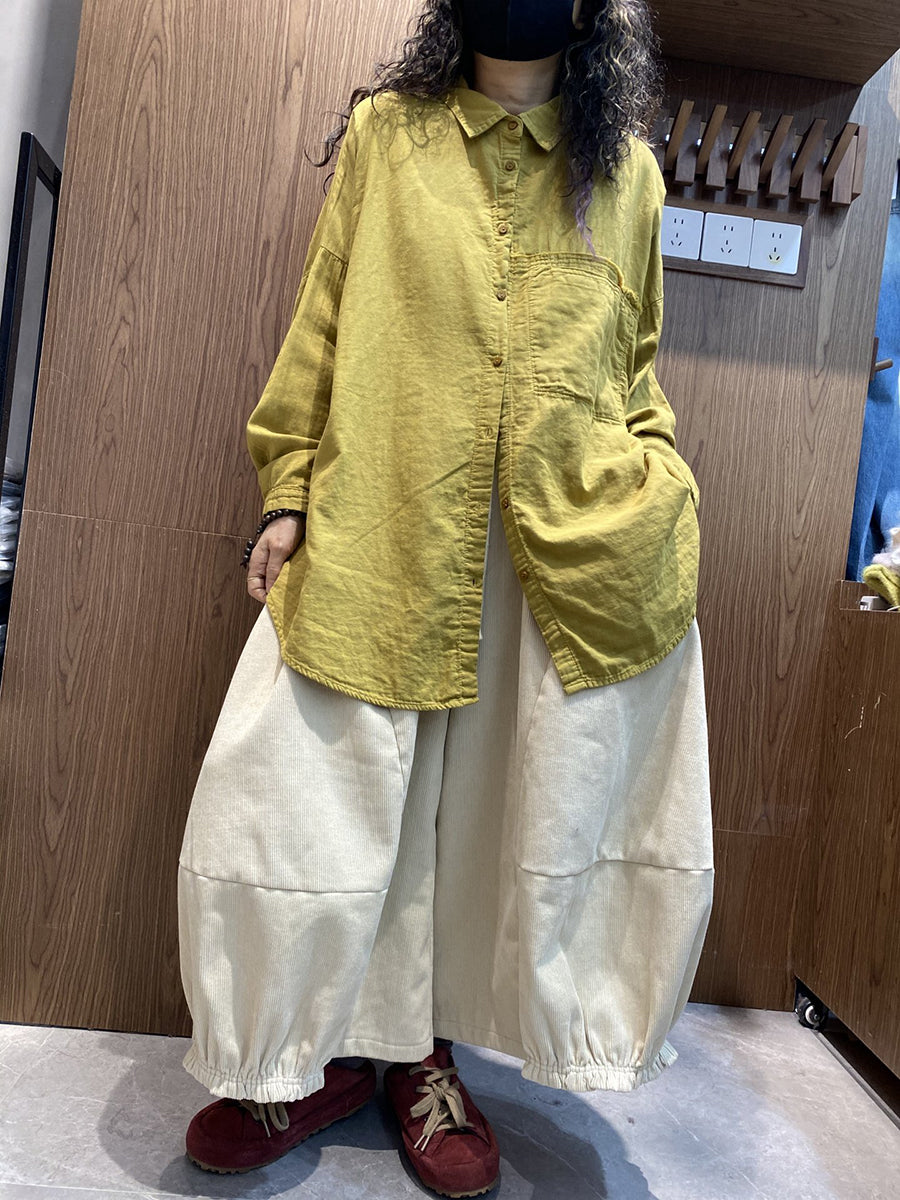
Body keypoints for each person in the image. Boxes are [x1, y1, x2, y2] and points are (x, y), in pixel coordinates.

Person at [177, 1, 715, 1194]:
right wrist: (287, 492)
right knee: (315, 801)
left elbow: (634, 370)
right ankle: (308, 1058)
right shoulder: (390, 136)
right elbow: (323, 323)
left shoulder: (625, 174)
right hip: (385, 518)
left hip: (558, 549)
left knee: (482, 822)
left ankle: (423, 1056)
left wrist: (661, 493)